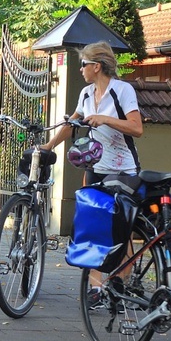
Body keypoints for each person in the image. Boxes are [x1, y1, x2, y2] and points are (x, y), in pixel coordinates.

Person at [42, 41, 143, 307]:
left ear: (96, 66)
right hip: (96, 169)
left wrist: (106, 119)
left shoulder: (122, 90)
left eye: (84, 64)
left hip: (123, 172)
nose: (81, 70)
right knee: (94, 230)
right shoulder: (86, 94)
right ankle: (97, 290)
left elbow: (136, 128)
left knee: (122, 232)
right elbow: (71, 125)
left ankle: (119, 285)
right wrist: (48, 146)